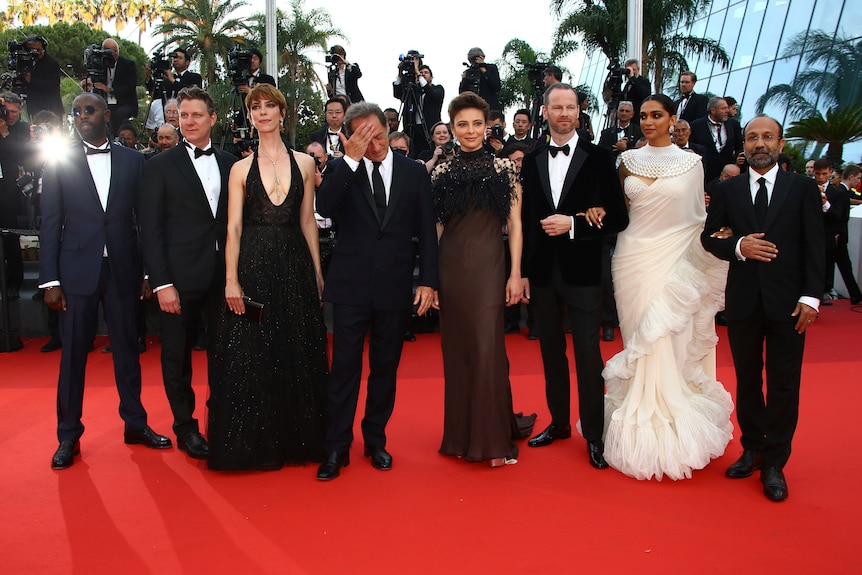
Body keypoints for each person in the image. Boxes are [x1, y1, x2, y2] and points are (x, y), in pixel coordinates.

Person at [601, 94, 733, 480]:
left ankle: (672, 419)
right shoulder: (625, 162)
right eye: (642, 116)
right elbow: (619, 212)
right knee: (640, 336)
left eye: (656, 115)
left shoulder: (692, 163)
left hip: (674, 256)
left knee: (667, 336)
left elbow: (696, 217)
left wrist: (709, 251)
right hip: (632, 259)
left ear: (673, 119)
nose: (648, 121)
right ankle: (639, 413)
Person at [39, 93, 172, 470]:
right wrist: (49, 279)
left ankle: (135, 423)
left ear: (106, 115)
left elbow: (146, 221)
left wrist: (149, 273)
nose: (81, 116)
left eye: (89, 110)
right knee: (73, 358)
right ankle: (68, 435)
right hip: (75, 271)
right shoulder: (60, 160)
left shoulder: (133, 161)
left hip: (124, 268)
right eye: (76, 112)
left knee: (128, 351)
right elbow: (49, 223)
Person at [701, 114, 824, 502]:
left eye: (767, 137)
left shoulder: (802, 188)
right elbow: (709, 237)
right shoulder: (728, 190)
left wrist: (811, 297)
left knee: (785, 384)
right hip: (743, 301)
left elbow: (815, 245)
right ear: (744, 144)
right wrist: (738, 247)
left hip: (789, 304)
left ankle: (775, 462)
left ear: (780, 144)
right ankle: (752, 448)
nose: (759, 144)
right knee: (748, 380)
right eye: (753, 137)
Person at [314, 102, 438, 481]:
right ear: (350, 136)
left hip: (394, 285)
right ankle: (337, 445)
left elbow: (427, 233)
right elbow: (323, 208)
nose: (375, 143)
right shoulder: (340, 168)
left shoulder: (414, 172)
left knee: (385, 368)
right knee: (345, 369)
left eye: (380, 134)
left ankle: (375, 439)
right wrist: (349, 161)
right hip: (351, 286)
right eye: (365, 137)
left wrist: (429, 281)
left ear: (389, 128)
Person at [207, 84, 328, 470]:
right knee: (253, 349)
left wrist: (317, 270)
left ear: (282, 112)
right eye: (255, 107)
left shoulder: (306, 164)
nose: (262, 112)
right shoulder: (239, 169)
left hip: (294, 267)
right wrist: (231, 279)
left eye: (269, 106)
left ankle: (297, 440)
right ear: (251, 116)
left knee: (295, 345)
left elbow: (308, 220)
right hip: (254, 269)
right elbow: (234, 228)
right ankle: (255, 444)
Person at [520, 83, 629, 468]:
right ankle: (560, 423)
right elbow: (525, 221)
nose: (564, 114)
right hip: (544, 273)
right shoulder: (531, 159)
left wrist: (573, 224)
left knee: (587, 355)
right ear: (545, 112)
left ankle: (594, 437)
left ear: (579, 113)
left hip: (584, 271)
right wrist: (524, 272)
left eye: (571, 107)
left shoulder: (600, 158)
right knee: (551, 353)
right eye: (557, 107)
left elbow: (618, 218)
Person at [139, 87, 238, 460]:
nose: (190, 122)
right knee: (177, 357)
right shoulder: (159, 166)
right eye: (184, 116)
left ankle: (222, 420)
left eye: (197, 115)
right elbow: (150, 230)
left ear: (212, 118)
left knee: (224, 353)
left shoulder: (231, 163)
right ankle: (185, 428)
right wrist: (162, 283)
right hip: (178, 280)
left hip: (225, 277)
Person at [430, 92, 525, 467]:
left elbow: (515, 225)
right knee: (458, 351)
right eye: (462, 124)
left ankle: (492, 438)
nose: (470, 131)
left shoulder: (505, 169)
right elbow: (436, 228)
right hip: (452, 268)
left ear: (488, 126)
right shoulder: (440, 172)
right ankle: (462, 436)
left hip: (489, 265)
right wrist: (434, 278)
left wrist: (516, 273)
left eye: (476, 123)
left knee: (487, 348)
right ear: (452, 129)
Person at [82, 38, 138, 134]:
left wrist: (110, 90)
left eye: (116, 51)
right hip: (104, 101)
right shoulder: (100, 65)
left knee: (119, 114)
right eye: (111, 51)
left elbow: (130, 87)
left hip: (124, 103)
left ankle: (116, 140)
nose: (114, 54)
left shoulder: (128, 65)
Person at [689, 96, 743, 183]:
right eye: (723, 108)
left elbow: (739, 146)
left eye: (727, 108)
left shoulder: (733, 124)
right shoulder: (696, 126)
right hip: (704, 176)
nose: (727, 111)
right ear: (713, 110)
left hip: (727, 177)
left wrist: (735, 163)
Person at [833, 165, 862, 304]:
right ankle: (855, 295)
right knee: (844, 266)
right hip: (837, 237)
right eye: (858, 178)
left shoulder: (842, 192)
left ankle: (856, 295)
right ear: (851, 177)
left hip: (838, 236)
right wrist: (837, 233)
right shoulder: (840, 192)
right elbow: (837, 216)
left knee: (845, 266)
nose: (858, 181)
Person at [22, 35, 65, 119]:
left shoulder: (51, 63)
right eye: (33, 50)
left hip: (50, 108)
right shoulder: (27, 61)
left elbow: (53, 86)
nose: (37, 53)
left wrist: (31, 80)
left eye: (39, 49)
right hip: (33, 108)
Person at [597, 100, 642, 167]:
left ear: (632, 114)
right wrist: (616, 147)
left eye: (627, 111)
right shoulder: (606, 133)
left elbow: (642, 151)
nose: (624, 113)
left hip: (632, 169)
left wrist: (626, 148)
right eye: (621, 110)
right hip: (609, 169)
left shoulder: (639, 131)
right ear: (617, 112)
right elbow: (600, 151)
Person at [459, 47, 501, 112]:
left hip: (490, 108)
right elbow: (462, 94)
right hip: (473, 107)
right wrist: (464, 80)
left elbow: (496, 86)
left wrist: (485, 71)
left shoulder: (491, 68)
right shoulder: (468, 72)